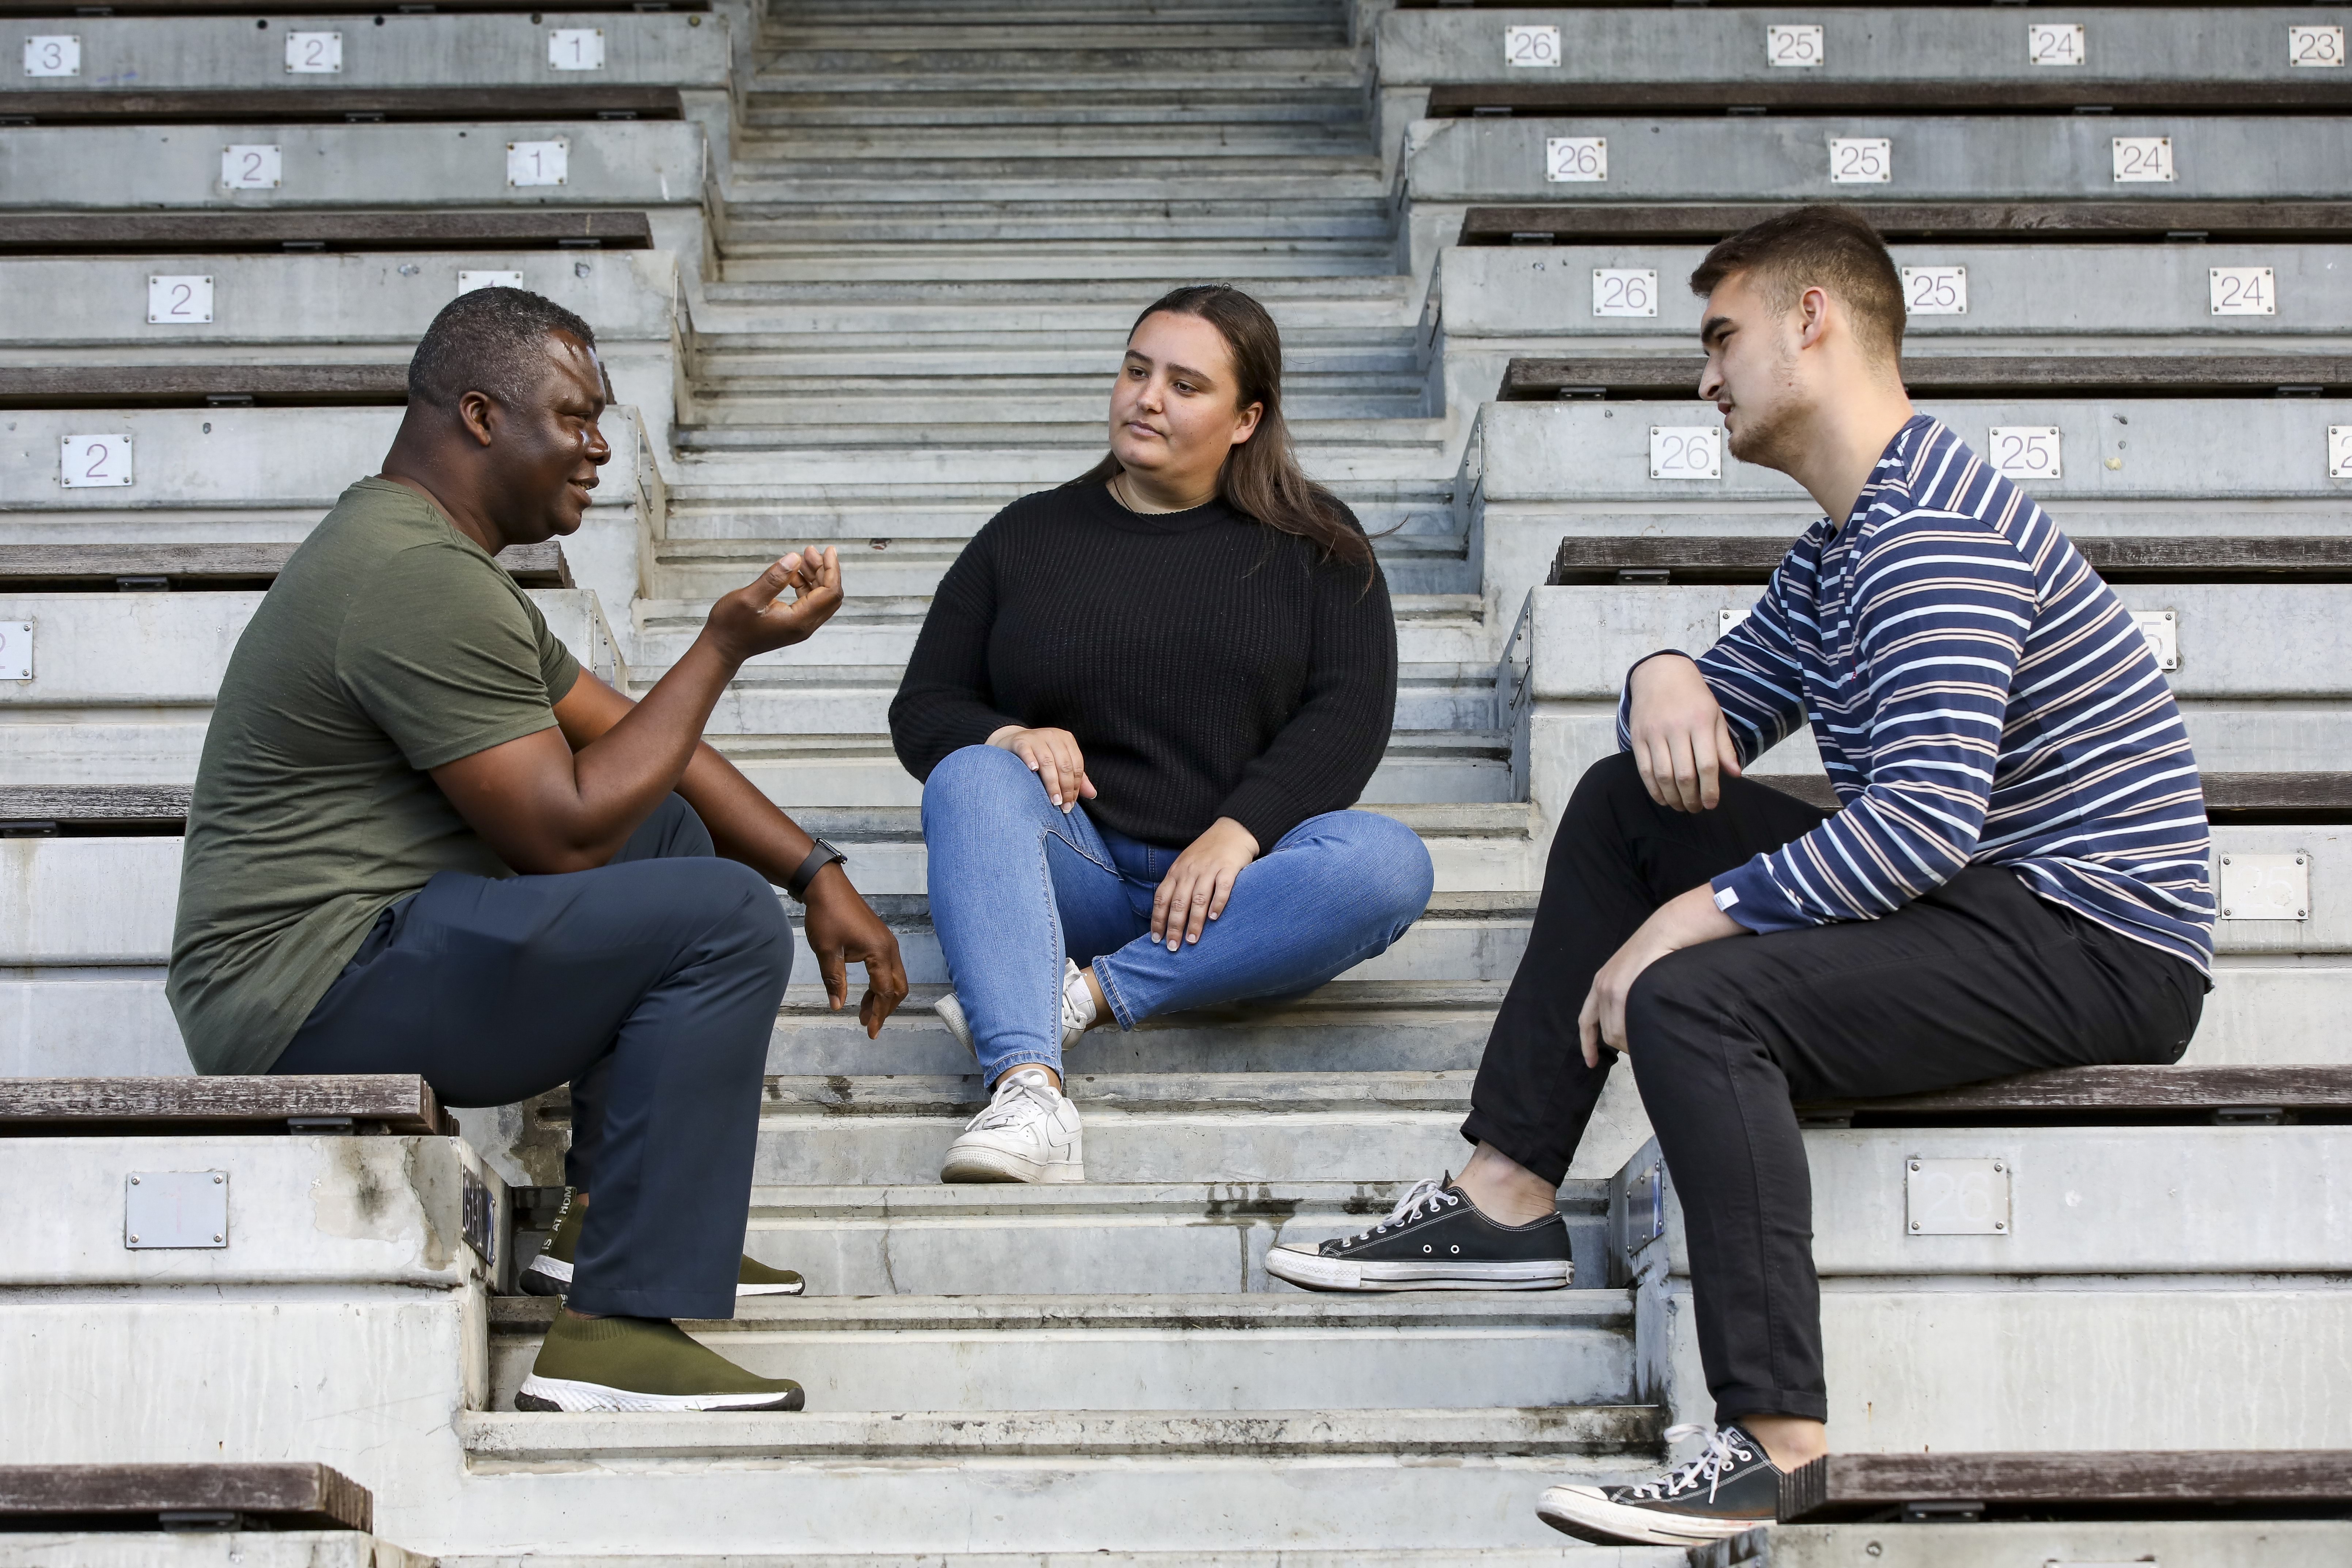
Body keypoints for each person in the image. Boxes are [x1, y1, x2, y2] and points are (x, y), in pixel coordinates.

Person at [1265, 206, 2214, 1545]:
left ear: (1812, 323)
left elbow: (1925, 826)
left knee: (1695, 1001)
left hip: (2090, 936)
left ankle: (1773, 1440)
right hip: (1987, 903)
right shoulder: (1844, 544)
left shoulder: (1931, 532)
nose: (1702, 376)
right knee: (1620, 810)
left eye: (1721, 337)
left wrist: (1680, 928)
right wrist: (1657, 673)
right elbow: (1701, 722)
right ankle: (1504, 1196)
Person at [168, 288, 909, 1413]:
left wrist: (816, 870)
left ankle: (603, 1230)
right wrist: (722, 644)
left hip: (357, 952)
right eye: (573, 415)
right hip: (301, 991)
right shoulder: (410, 578)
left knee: (664, 829)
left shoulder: (430, 558)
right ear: (478, 414)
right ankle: (613, 1333)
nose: (602, 444)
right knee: (716, 918)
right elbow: (561, 835)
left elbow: (626, 738)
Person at [887, 284, 1436, 1184]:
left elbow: (1346, 721)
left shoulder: (1316, 547)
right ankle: (1027, 1091)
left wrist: (1240, 829)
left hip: (1245, 899)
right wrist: (1008, 734)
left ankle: (1084, 998)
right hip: (1082, 875)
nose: (1146, 398)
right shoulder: (1026, 536)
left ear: (1244, 418)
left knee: (1387, 863)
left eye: (1185, 385)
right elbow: (924, 708)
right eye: (1136, 371)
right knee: (967, 779)